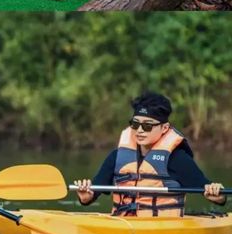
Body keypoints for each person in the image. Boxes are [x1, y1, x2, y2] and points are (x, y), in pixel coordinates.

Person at [73, 92, 225, 216]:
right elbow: (90, 197)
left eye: (147, 126)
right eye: (135, 124)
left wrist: (217, 195)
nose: (139, 130)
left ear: (164, 128)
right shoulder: (117, 157)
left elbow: (213, 194)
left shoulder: (177, 160)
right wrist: (85, 196)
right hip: (123, 233)